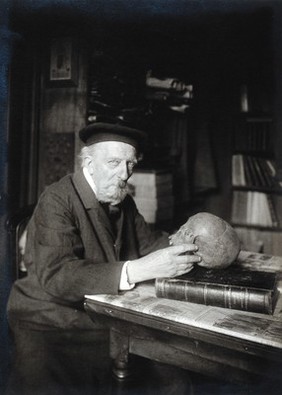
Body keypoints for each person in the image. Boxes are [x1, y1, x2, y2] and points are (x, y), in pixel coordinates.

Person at [7, 121, 201, 395]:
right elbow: (58, 277)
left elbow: (149, 242)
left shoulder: (122, 199)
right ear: (88, 163)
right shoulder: (57, 199)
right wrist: (137, 270)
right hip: (50, 317)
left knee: (175, 372)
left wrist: (191, 244)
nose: (124, 174)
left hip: (103, 310)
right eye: (114, 163)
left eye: (130, 164)